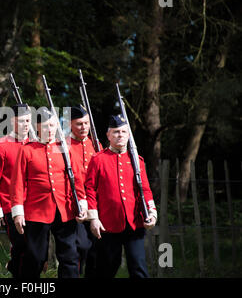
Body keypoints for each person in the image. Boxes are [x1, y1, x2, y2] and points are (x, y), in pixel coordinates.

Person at [10, 107, 88, 278]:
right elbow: (17, 183)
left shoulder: (65, 149)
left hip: (65, 209)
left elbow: (78, 179)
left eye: (53, 125)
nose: (50, 130)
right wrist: (18, 212)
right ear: (37, 128)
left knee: (70, 257)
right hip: (37, 212)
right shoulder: (27, 150)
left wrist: (81, 202)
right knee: (35, 258)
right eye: (45, 126)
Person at [85, 114, 157, 278]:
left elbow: (145, 189)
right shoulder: (98, 160)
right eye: (116, 132)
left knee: (138, 267)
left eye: (124, 132)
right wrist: (94, 218)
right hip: (108, 223)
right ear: (108, 136)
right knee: (107, 268)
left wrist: (152, 212)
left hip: (135, 223)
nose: (120, 135)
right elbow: (89, 189)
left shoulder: (137, 160)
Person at [0, 103, 32, 278]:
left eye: (28, 120)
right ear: (12, 122)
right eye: (21, 121)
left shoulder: (35, 144)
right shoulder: (0, 146)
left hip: (35, 207)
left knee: (33, 250)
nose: (26, 124)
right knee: (22, 247)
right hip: (10, 207)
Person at [66, 105, 101, 277]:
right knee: (80, 248)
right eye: (79, 123)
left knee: (96, 250)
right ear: (70, 124)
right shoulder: (63, 145)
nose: (84, 127)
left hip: (96, 203)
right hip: (74, 205)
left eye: (86, 123)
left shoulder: (95, 144)